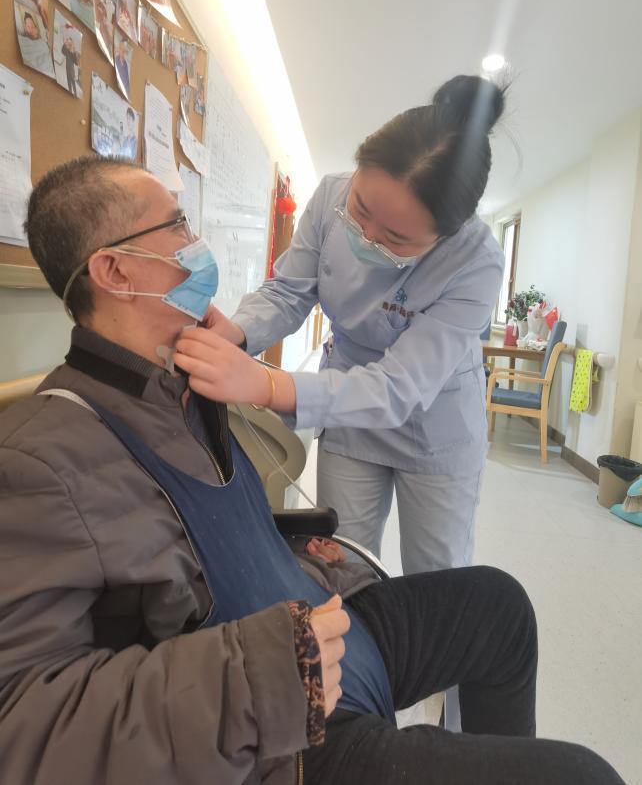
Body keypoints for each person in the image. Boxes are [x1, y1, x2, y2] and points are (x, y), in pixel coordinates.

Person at [0, 156, 622, 785]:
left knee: (499, 606)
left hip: (317, 623)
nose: (197, 242)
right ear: (114, 270)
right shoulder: (42, 459)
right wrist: (260, 674)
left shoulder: (183, 386)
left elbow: (216, 538)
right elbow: (22, 723)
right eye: (178, 225)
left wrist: (296, 553)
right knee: (583, 776)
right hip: (281, 720)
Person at [175, 75, 505, 575]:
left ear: (445, 236)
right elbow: (288, 292)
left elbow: (398, 387)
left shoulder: (477, 260)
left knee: (437, 571)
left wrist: (266, 384)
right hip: (348, 408)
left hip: (434, 423)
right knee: (341, 560)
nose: (366, 238)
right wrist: (236, 333)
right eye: (361, 210)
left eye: (395, 238)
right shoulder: (329, 195)